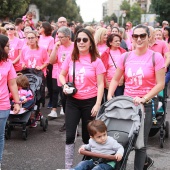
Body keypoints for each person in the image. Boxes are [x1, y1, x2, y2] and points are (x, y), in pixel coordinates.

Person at [107, 24, 165, 170]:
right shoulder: (125, 56)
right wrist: (109, 96)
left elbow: (160, 84)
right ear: (131, 38)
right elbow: (115, 79)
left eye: (142, 36)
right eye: (136, 36)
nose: (139, 39)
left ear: (148, 37)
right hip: (127, 105)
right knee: (123, 141)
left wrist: (144, 98)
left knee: (140, 144)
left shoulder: (155, 57)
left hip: (146, 104)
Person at [59, 28, 106, 169]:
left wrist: (98, 104)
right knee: (69, 136)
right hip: (72, 101)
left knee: (88, 137)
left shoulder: (96, 61)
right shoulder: (70, 57)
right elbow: (62, 75)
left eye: (85, 39)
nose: (81, 42)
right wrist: (64, 85)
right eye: (78, 39)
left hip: (90, 102)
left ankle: (88, 164)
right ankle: (68, 167)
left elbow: (101, 84)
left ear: (90, 42)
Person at [0, 34, 20, 169]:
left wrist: (17, 102)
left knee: (0, 136)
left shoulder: (8, 63)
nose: (10, 48)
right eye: (7, 46)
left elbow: (12, 84)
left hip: (3, 105)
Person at [49, 26, 74, 122]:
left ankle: (72, 123)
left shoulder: (75, 46)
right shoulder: (58, 47)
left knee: (72, 103)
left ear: (68, 37)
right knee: (64, 102)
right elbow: (51, 61)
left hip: (72, 78)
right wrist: (55, 49)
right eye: (58, 37)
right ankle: (67, 122)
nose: (59, 39)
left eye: (61, 37)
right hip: (62, 79)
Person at [101, 34, 126, 102]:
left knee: (119, 102)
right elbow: (102, 70)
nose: (118, 42)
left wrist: (122, 77)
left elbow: (126, 67)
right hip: (108, 82)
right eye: (116, 41)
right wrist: (106, 82)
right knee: (109, 103)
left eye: (119, 41)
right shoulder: (105, 54)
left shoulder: (124, 52)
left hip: (120, 82)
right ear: (110, 42)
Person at [38, 21, 54, 109]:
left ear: (45, 28)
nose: (39, 28)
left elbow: (49, 52)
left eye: (41, 27)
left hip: (47, 62)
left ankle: (51, 100)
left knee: (49, 83)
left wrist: (46, 64)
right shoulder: (38, 37)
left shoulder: (51, 39)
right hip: (38, 62)